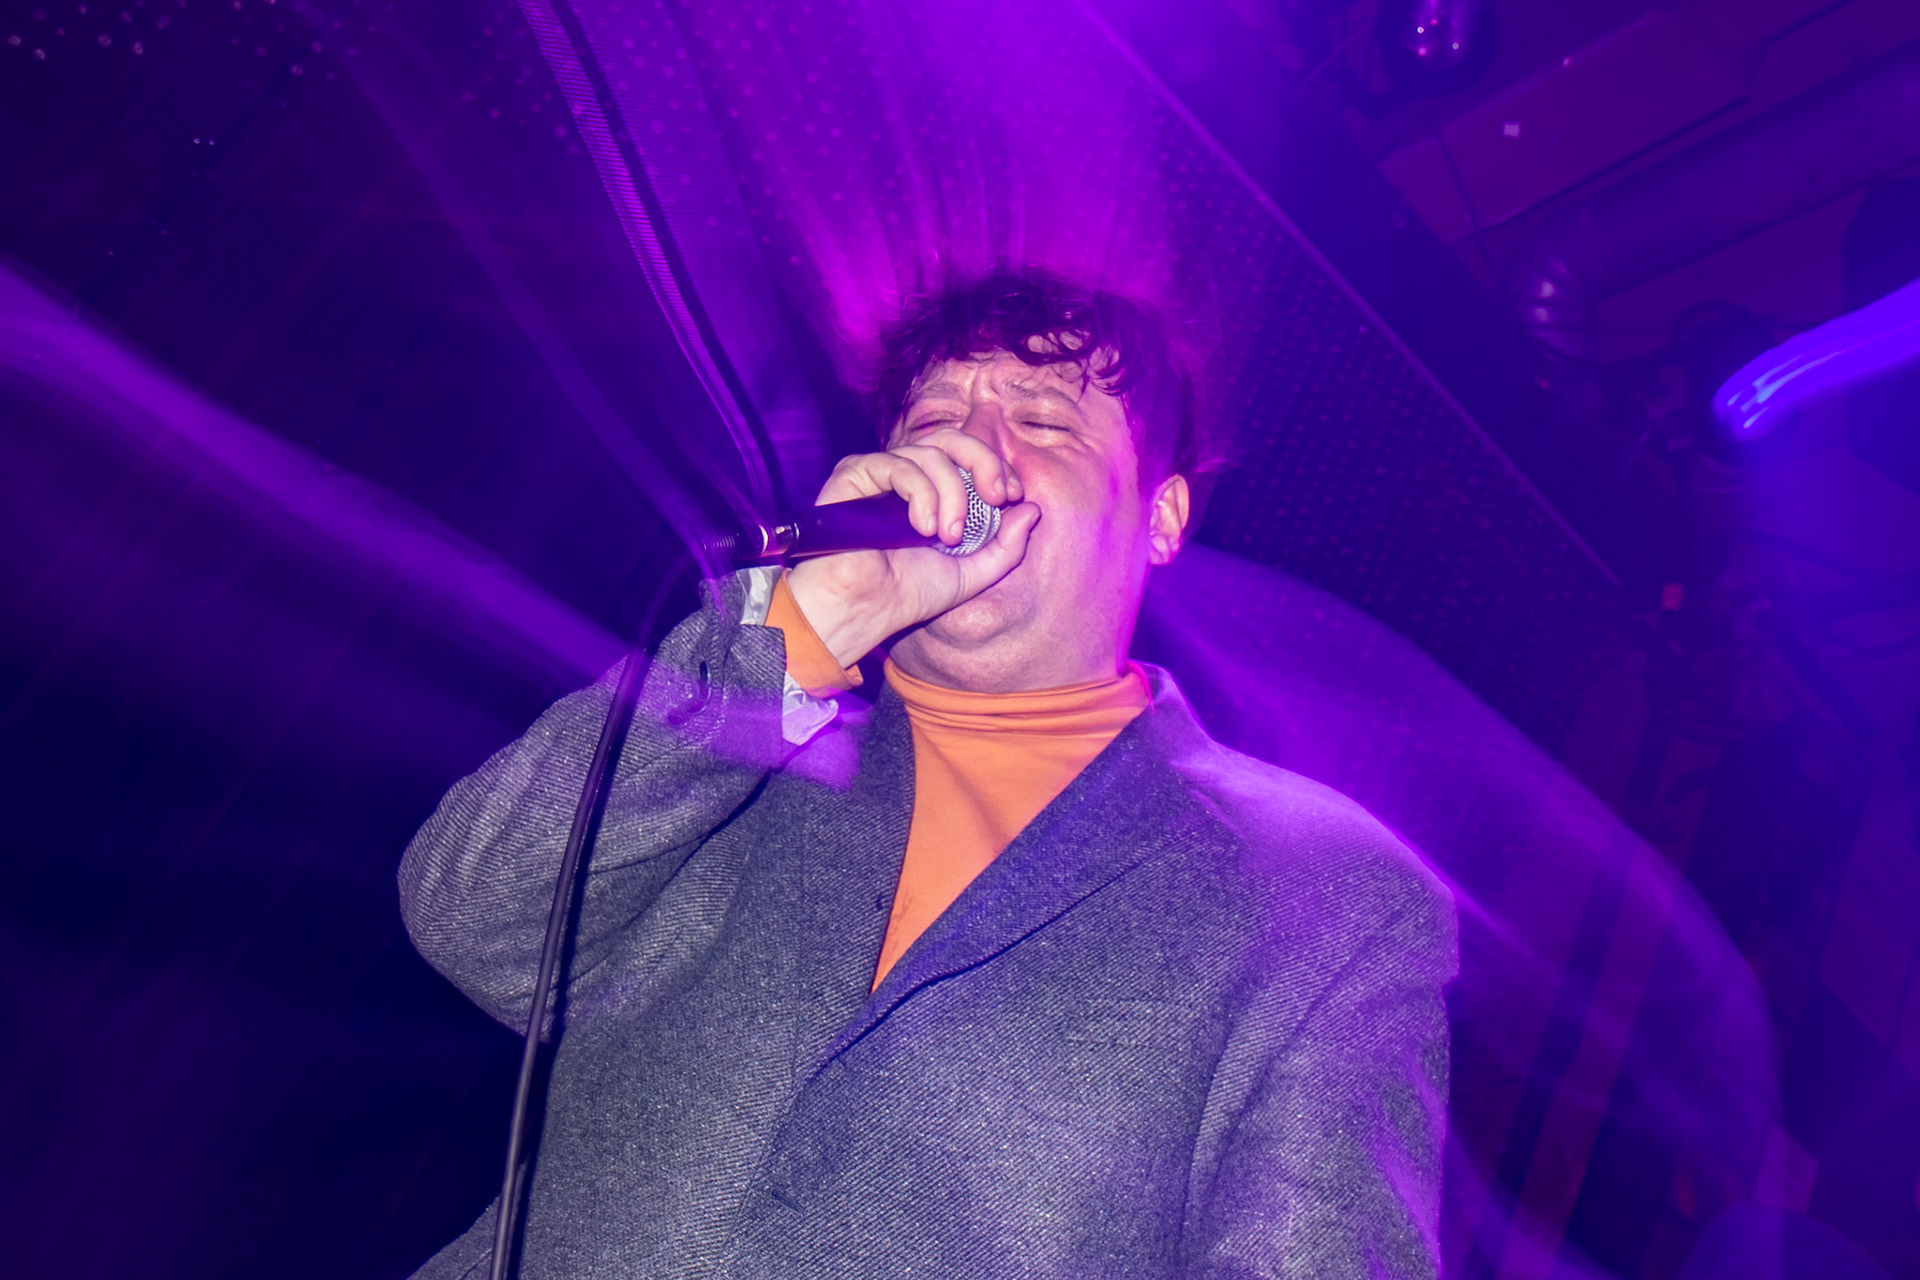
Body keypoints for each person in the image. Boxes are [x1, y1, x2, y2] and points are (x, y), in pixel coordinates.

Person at [400, 270, 1456, 1279]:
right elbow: (473, 913)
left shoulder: (1323, 897)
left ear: (1162, 517)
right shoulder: (741, 742)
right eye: (937, 417)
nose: (974, 451)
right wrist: (798, 633)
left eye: (1043, 421)